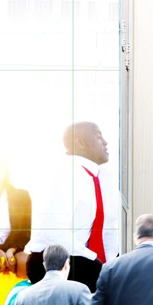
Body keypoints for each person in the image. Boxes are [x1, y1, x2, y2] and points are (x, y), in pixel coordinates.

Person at [26, 121, 120, 292]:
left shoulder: (104, 178)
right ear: (80, 142)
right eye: (98, 137)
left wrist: (111, 264)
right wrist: (96, 262)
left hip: (84, 258)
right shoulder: (61, 172)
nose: (106, 142)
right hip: (52, 260)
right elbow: (55, 233)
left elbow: (109, 231)